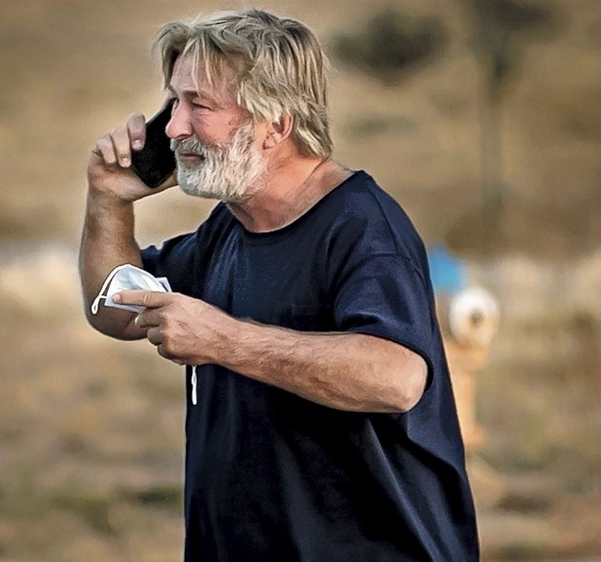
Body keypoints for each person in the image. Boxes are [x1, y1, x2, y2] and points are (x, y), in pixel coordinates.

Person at [80, 9, 479, 561]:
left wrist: (224, 340)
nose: (172, 128)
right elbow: (115, 308)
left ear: (276, 125)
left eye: (200, 104)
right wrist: (108, 199)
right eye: (174, 102)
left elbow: (397, 377)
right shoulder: (231, 226)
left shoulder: (361, 228)